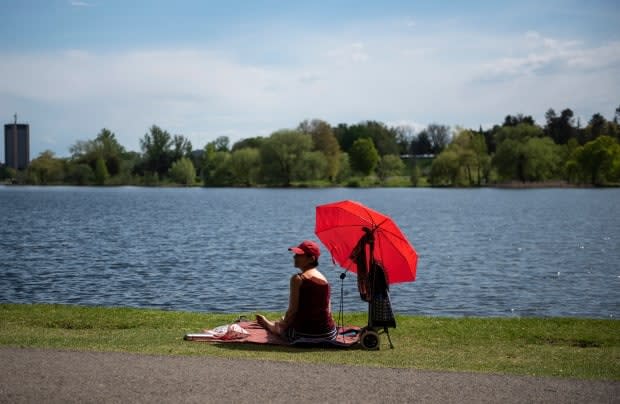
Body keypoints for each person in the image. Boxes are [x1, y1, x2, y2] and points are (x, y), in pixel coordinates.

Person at [256, 240, 337, 342]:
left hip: (305, 335)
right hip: (329, 334)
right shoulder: (325, 280)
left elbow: (292, 311)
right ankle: (276, 324)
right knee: (287, 319)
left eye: (299, 255)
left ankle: (271, 326)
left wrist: (283, 324)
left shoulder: (298, 279)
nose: (294, 257)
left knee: (283, 325)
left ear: (311, 259)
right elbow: (328, 311)